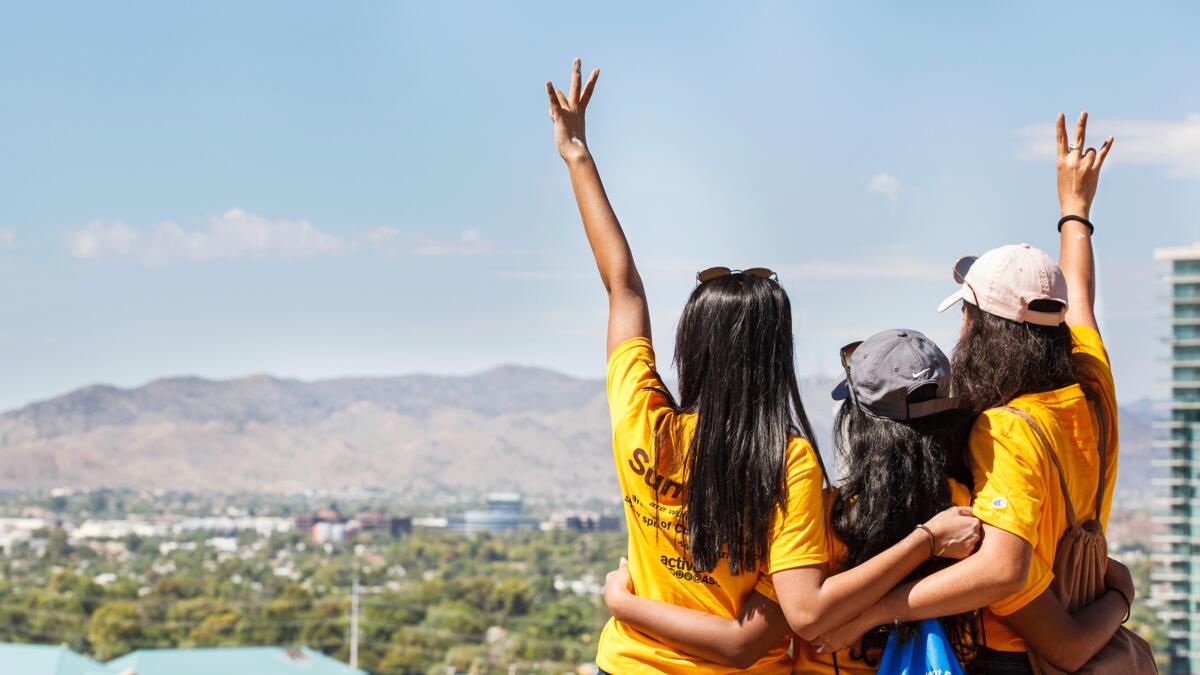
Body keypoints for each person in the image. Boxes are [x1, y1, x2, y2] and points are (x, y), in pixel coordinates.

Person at [545, 57, 980, 674]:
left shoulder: (642, 417)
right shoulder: (788, 462)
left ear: (691, 344)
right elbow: (755, 638)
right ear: (776, 355)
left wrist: (577, 154)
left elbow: (623, 289)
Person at [810, 112, 1133, 674]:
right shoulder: (1093, 384)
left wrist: (876, 611)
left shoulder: (1007, 428)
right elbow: (1078, 292)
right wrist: (1075, 210)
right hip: (1081, 612)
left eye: (967, 315)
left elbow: (1003, 569)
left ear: (984, 330)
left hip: (1011, 652)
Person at [605, 328, 979, 673]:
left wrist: (626, 605)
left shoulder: (827, 515)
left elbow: (802, 615)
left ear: (860, 424)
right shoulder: (963, 508)